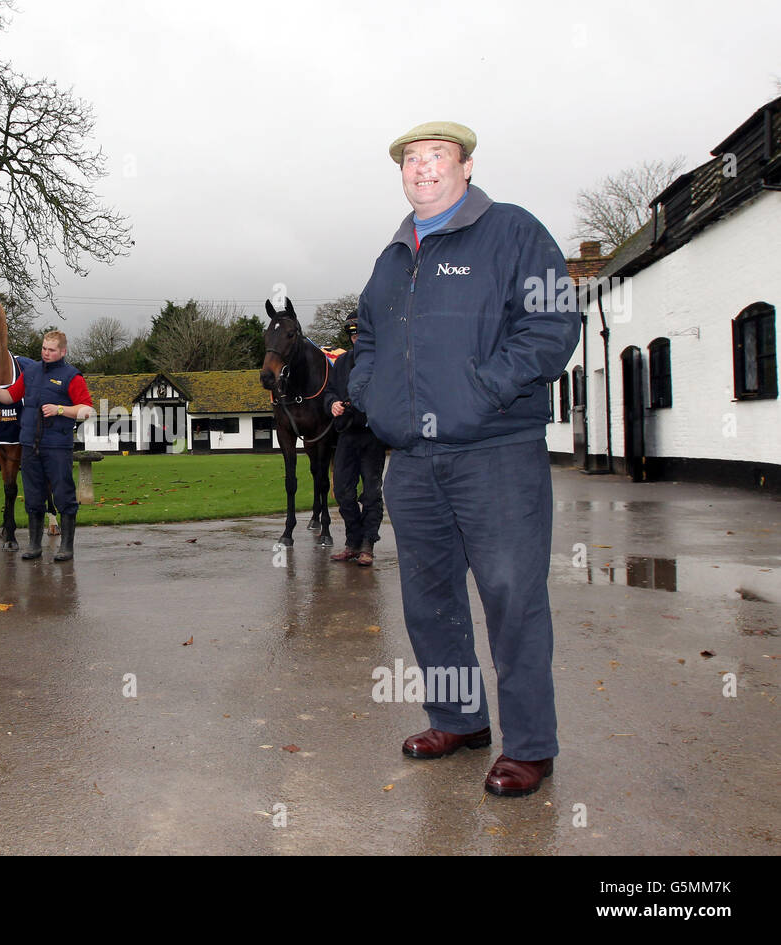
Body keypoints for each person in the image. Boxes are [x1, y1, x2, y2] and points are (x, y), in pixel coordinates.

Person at [347, 122, 580, 797]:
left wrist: (483, 391)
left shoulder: (512, 232)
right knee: (428, 598)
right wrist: (371, 394)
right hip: (413, 458)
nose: (423, 169)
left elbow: (552, 321)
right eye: (411, 160)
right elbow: (365, 339)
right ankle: (458, 719)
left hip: (496, 449)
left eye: (437, 157)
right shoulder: (393, 256)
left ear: (466, 166)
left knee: (512, 594)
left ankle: (531, 745)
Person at [0, 330, 93, 561]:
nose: (46, 353)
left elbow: (87, 411)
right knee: (33, 495)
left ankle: (66, 547)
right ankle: (34, 545)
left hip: (57, 446)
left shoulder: (72, 376)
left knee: (63, 494)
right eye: (44, 348)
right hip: (29, 445)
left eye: (51, 350)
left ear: (63, 351)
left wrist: (60, 409)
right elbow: (11, 396)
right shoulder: (30, 372)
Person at [325, 320, 386, 566]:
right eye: (352, 336)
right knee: (342, 490)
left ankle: (367, 544)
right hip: (347, 435)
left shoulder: (381, 361)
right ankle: (353, 541)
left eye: (360, 334)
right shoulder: (340, 363)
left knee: (371, 493)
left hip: (372, 436)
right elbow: (329, 391)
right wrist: (332, 404)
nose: (356, 339)